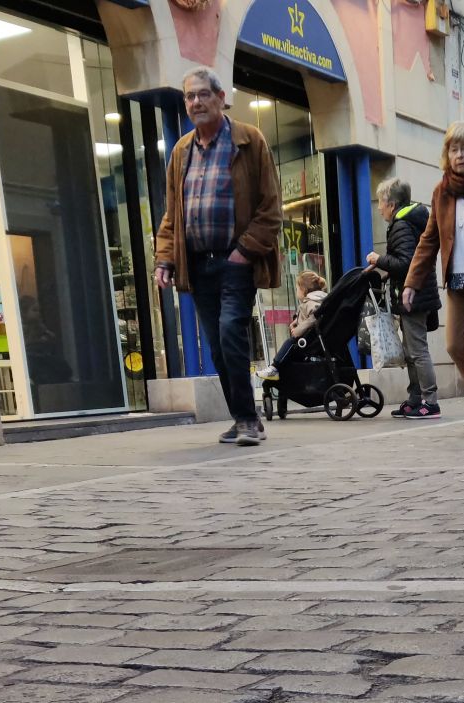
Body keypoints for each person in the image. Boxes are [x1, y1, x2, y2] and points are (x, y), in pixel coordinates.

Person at [155, 67, 281, 447]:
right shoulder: (180, 151)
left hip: (235, 261)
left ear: (221, 96)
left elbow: (271, 209)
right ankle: (245, 418)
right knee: (216, 346)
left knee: (230, 333)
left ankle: (246, 418)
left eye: (203, 95)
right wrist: (165, 258)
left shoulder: (249, 140)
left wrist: (243, 253)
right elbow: (172, 214)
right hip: (197, 264)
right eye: (190, 97)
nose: (196, 102)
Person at [404, 122, 464, 435]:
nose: (459, 155)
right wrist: (411, 282)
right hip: (456, 280)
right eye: (453, 148)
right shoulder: (441, 191)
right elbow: (429, 239)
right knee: (452, 345)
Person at [366, 179, 441, 419]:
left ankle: (430, 402)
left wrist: (378, 260)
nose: (379, 208)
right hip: (417, 293)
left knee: (417, 351)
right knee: (411, 351)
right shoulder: (410, 222)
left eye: (381, 202)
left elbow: (407, 262)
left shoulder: (402, 225)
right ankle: (415, 398)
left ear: (392, 203)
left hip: (414, 296)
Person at [255, 271, 327, 381]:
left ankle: (274, 368)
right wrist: (295, 322)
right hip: (312, 337)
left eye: (297, 288)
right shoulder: (316, 299)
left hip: (308, 340)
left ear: (303, 289)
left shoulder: (312, 302)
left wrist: (298, 330)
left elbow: (314, 317)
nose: (296, 291)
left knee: (289, 343)